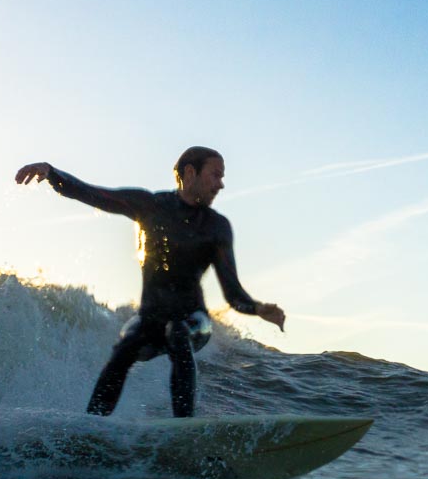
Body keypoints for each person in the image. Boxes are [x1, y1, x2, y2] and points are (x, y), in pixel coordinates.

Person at [15, 147, 285, 418]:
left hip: (194, 321)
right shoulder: (150, 206)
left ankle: (184, 430)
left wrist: (258, 309)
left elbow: (233, 292)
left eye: (221, 177)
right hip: (150, 319)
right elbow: (95, 194)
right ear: (190, 173)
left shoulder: (217, 227)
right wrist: (51, 173)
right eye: (215, 175)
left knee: (178, 331)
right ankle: (93, 425)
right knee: (126, 346)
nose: (221, 185)